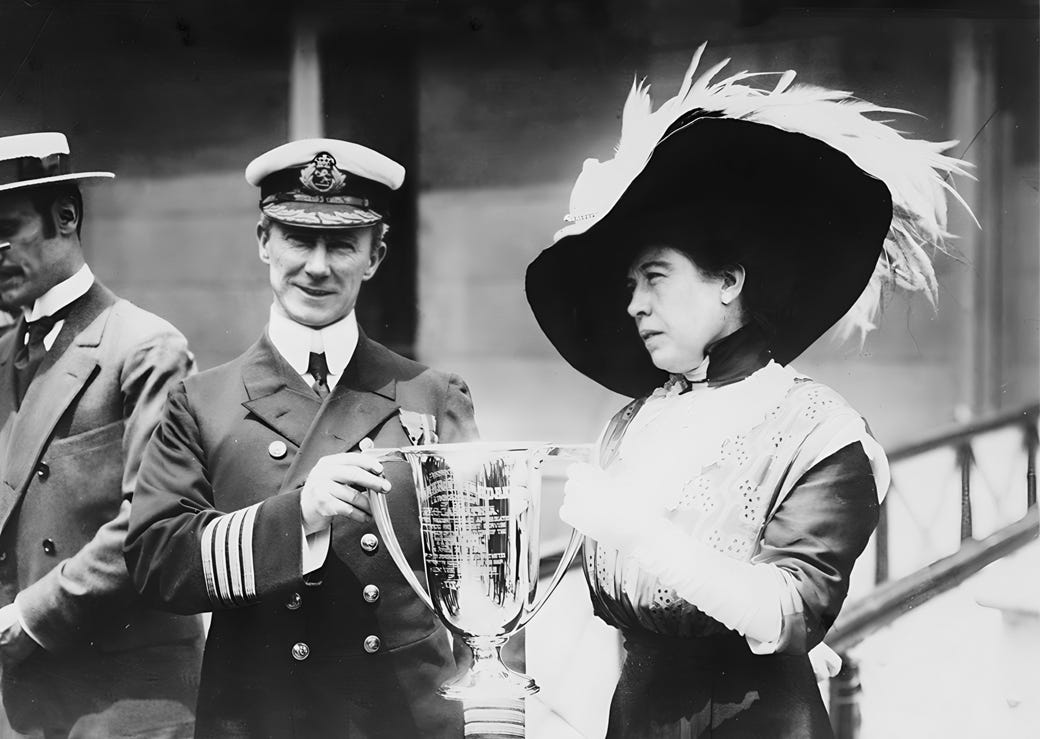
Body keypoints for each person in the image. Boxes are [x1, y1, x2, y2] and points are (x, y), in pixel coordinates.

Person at [525, 46, 972, 738]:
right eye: (628, 288)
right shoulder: (633, 425)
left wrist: (639, 530)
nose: (635, 305)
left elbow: (790, 606)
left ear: (729, 281)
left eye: (656, 277)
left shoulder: (819, 432)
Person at [124, 139, 479, 738]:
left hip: (406, 719)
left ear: (375, 256)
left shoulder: (431, 395)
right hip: (263, 715)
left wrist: (494, 708)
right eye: (297, 237)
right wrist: (300, 517)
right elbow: (158, 562)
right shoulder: (201, 402)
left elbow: (484, 571)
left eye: (342, 244)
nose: (318, 265)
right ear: (263, 241)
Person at [0, 132, 203, 737]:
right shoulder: (4, 354)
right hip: (24, 703)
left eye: (7, 228)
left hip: (122, 703)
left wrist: (27, 619)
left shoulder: (143, 348)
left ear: (64, 216)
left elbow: (148, 527)